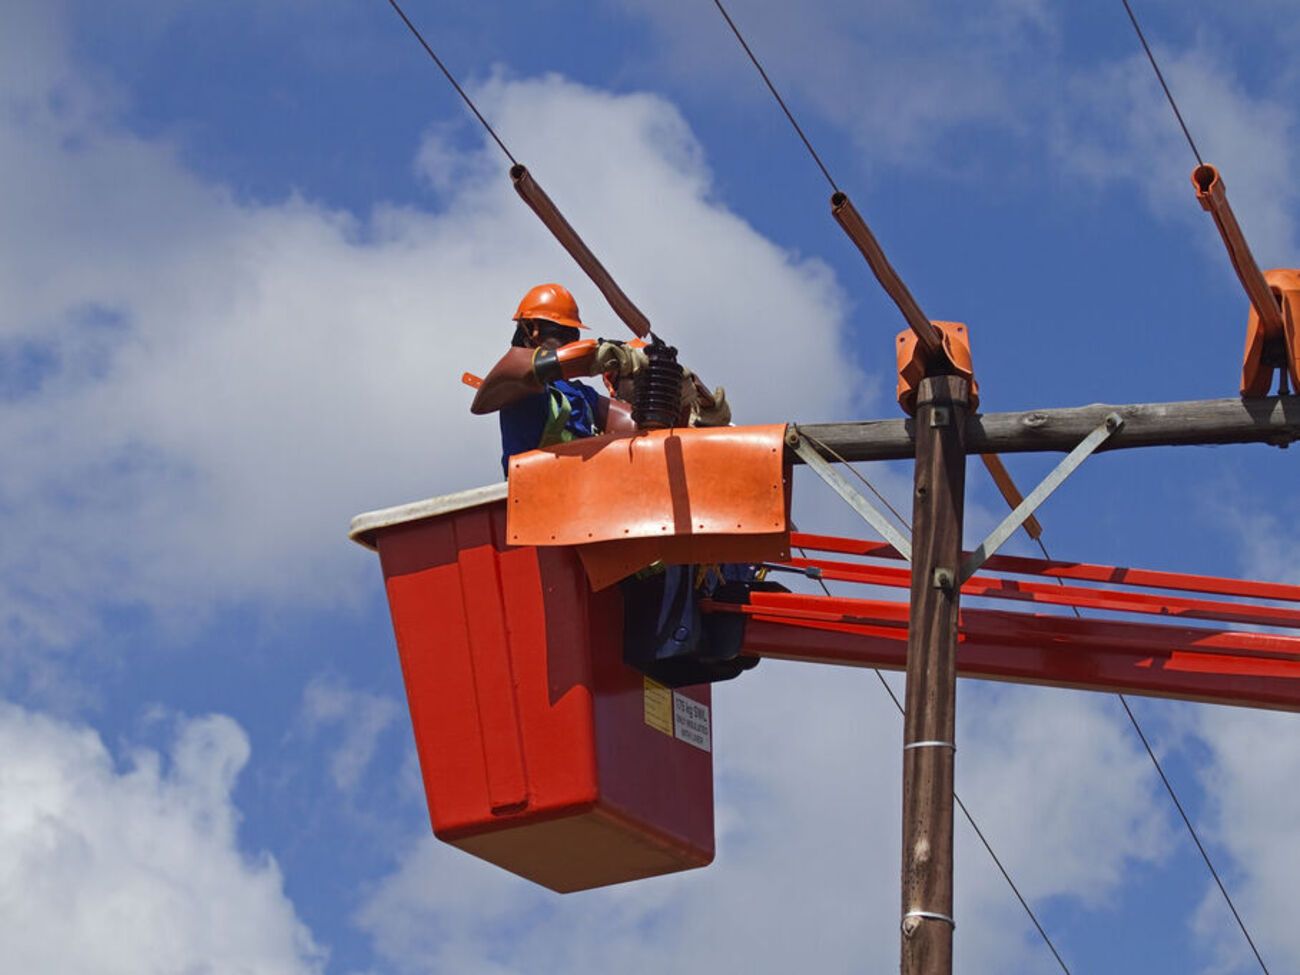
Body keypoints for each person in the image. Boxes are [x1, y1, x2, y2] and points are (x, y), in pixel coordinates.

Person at [472, 284, 645, 475]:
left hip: (582, 489)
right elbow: (482, 403)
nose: (569, 341)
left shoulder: (583, 394)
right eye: (559, 333)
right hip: (533, 492)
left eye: (573, 334)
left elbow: (635, 425)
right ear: (531, 330)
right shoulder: (519, 378)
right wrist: (593, 354)